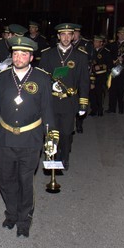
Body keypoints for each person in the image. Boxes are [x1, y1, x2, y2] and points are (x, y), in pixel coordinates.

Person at [0, 36, 57, 238]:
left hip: (30, 139)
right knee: (5, 180)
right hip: (5, 138)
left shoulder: (41, 78)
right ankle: (11, 213)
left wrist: (52, 137)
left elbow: (48, 110)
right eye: (16, 53)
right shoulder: (3, 77)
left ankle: (24, 219)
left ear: (31, 57)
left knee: (25, 181)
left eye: (24, 54)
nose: (19, 57)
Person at [38, 23, 90, 171]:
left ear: (73, 36)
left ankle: (64, 157)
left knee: (66, 133)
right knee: (51, 132)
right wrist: (49, 85)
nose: (66, 38)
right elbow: (41, 77)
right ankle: (51, 157)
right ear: (58, 36)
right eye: (63, 34)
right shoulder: (48, 54)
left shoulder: (80, 56)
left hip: (69, 101)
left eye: (69, 34)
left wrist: (83, 103)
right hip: (52, 101)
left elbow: (84, 82)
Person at [106, 27, 124, 114]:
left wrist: (123, 59)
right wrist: (111, 61)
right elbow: (108, 56)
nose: (122, 35)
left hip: (123, 70)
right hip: (113, 69)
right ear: (117, 34)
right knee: (112, 89)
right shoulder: (112, 44)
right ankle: (112, 108)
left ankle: (121, 109)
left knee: (121, 89)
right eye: (120, 33)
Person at [88, 35, 111, 117]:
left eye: (96, 42)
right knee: (91, 92)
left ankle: (100, 109)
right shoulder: (91, 50)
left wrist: (100, 66)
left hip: (101, 75)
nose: (94, 43)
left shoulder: (106, 51)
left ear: (101, 43)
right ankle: (93, 109)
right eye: (94, 41)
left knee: (99, 92)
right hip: (91, 74)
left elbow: (109, 64)